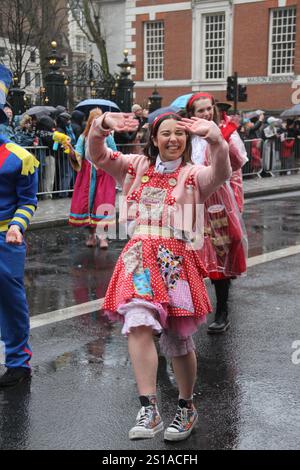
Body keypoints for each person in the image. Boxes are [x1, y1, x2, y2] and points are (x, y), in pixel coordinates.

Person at [86, 110, 231, 441]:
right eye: (166, 133)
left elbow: (223, 170)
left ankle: (186, 406)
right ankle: (148, 408)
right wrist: (102, 126)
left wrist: (215, 138)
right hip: (138, 258)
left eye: (180, 134)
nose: (173, 139)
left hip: (176, 262)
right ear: (154, 139)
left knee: (177, 338)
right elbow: (97, 154)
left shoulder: (194, 175)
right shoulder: (136, 166)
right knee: (137, 321)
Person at [186, 92, 248, 334]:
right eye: (200, 110)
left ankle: (222, 311)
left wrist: (225, 138)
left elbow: (238, 163)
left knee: (219, 255)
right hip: (191, 200)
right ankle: (184, 310)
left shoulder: (223, 132)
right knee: (186, 256)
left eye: (208, 109)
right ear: (192, 114)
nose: (205, 114)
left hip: (218, 203)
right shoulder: (188, 137)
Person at [0, 64, 39, 388]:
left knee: (11, 303)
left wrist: (16, 226)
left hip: (5, 241)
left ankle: (18, 363)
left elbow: (28, 201)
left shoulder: (20, 157)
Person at [68, 108, 117, 248]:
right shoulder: (83, 137)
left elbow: (115, 152)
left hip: (105, 173)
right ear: (90, 122)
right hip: (88, 175)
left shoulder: (108, 137)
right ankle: (91, 235)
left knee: (104, 203)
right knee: (88, 205)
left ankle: (103, 237)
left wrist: (111, 158)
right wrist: (71, 152)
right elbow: (78, 154)